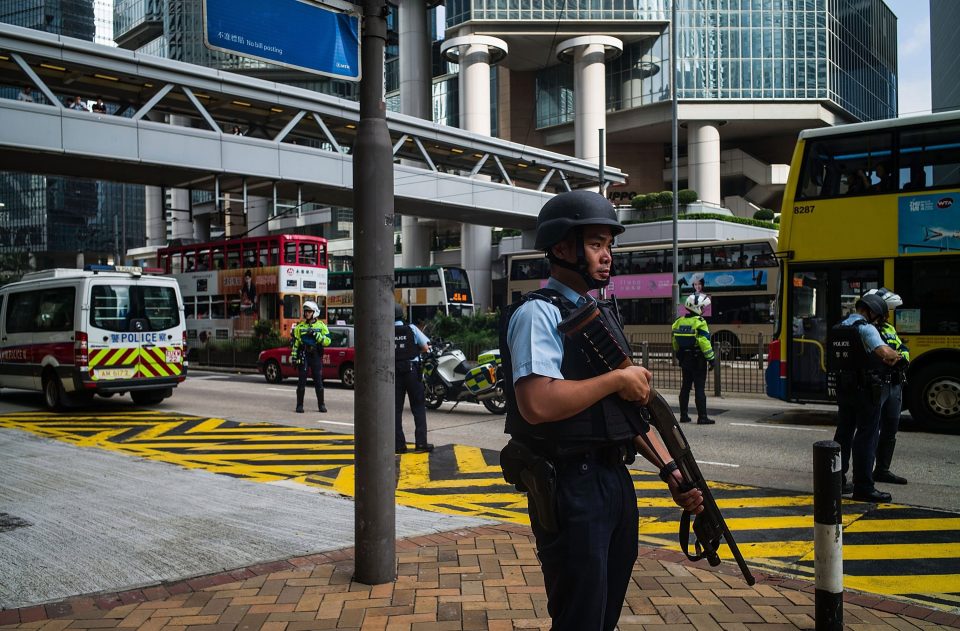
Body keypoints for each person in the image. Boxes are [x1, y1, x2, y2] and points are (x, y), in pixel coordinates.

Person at [501, 190, 704, 631]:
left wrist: (672, 471)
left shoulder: (598, 313)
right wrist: (616, 379)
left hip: (614, 480)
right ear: (561, 248)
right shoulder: (538, 314)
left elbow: (627, 416)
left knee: (604, 616)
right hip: (571, 484)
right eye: (596, 244)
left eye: (609, 245)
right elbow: (536, 403)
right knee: (580, 617)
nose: (607, 256)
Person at [830, 292, 903, 503]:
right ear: (871, 312)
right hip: (866, 389)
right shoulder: (866, 328)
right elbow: (886, 354)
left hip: (845, 388)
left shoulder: (840, 326)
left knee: (843, 433)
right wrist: (895, 355)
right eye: (878, 317)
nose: (878, 321)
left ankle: (837, 480)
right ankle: (864, 486)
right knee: (866, 436)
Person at [865, 287, 910, 486]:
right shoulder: (867, 328)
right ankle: (865, 471)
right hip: (879, 383)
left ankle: (882, 469)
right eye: (886, 311)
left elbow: (902, 347)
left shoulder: (889, 328)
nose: (887, 315)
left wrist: (902, 357)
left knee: (891, 428)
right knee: (872, 428)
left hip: (895, 383)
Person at [672, 293, 717, 424]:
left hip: (685, 360)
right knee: (699, 388)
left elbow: (675, 343)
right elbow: (704, 343)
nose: (703, 310)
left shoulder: (679, 321)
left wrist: (680, 356)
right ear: (698, 308)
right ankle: (702, 417)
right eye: (702, 307)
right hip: (698, 360)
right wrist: (711, 359)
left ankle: (683, 416)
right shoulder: (700, 323)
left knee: (685, 387)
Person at [394, 303, 432, 454]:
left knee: (395, 410)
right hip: (412, 371)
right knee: (418, 408)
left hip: (394, 373)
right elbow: (426, 347)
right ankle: (421, 444)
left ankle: (399, 445)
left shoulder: (384, 331)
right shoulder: (411, 328)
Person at [290, 300, 331, 413]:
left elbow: (327, 341)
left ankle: (321, 405)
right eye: (306, 311)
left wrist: (316, 335)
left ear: (314, 312)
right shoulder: (300, 327)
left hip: (315, 355)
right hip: (304, 355)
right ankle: (299, 405)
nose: (307, 313)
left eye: (309, 311)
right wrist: (293, 357)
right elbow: (296, 343)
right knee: (301, 380)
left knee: (318, 380)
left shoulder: (321, 326)